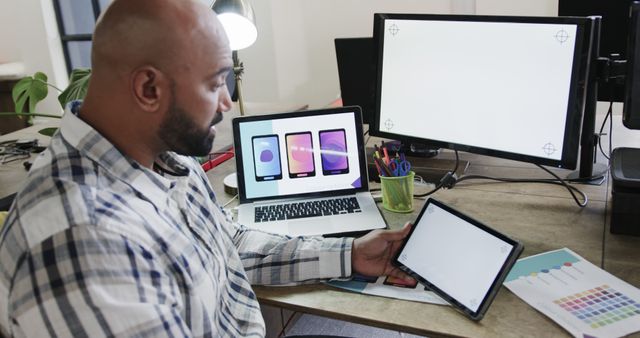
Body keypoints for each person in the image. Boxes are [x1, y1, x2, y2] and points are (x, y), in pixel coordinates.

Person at [0, 0, 412, 336]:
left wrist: (350, 253)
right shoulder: (84, 245)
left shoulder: (164, 158)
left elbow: (226, 244)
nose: (226, 103)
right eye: (216, 83)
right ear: (149, 88)